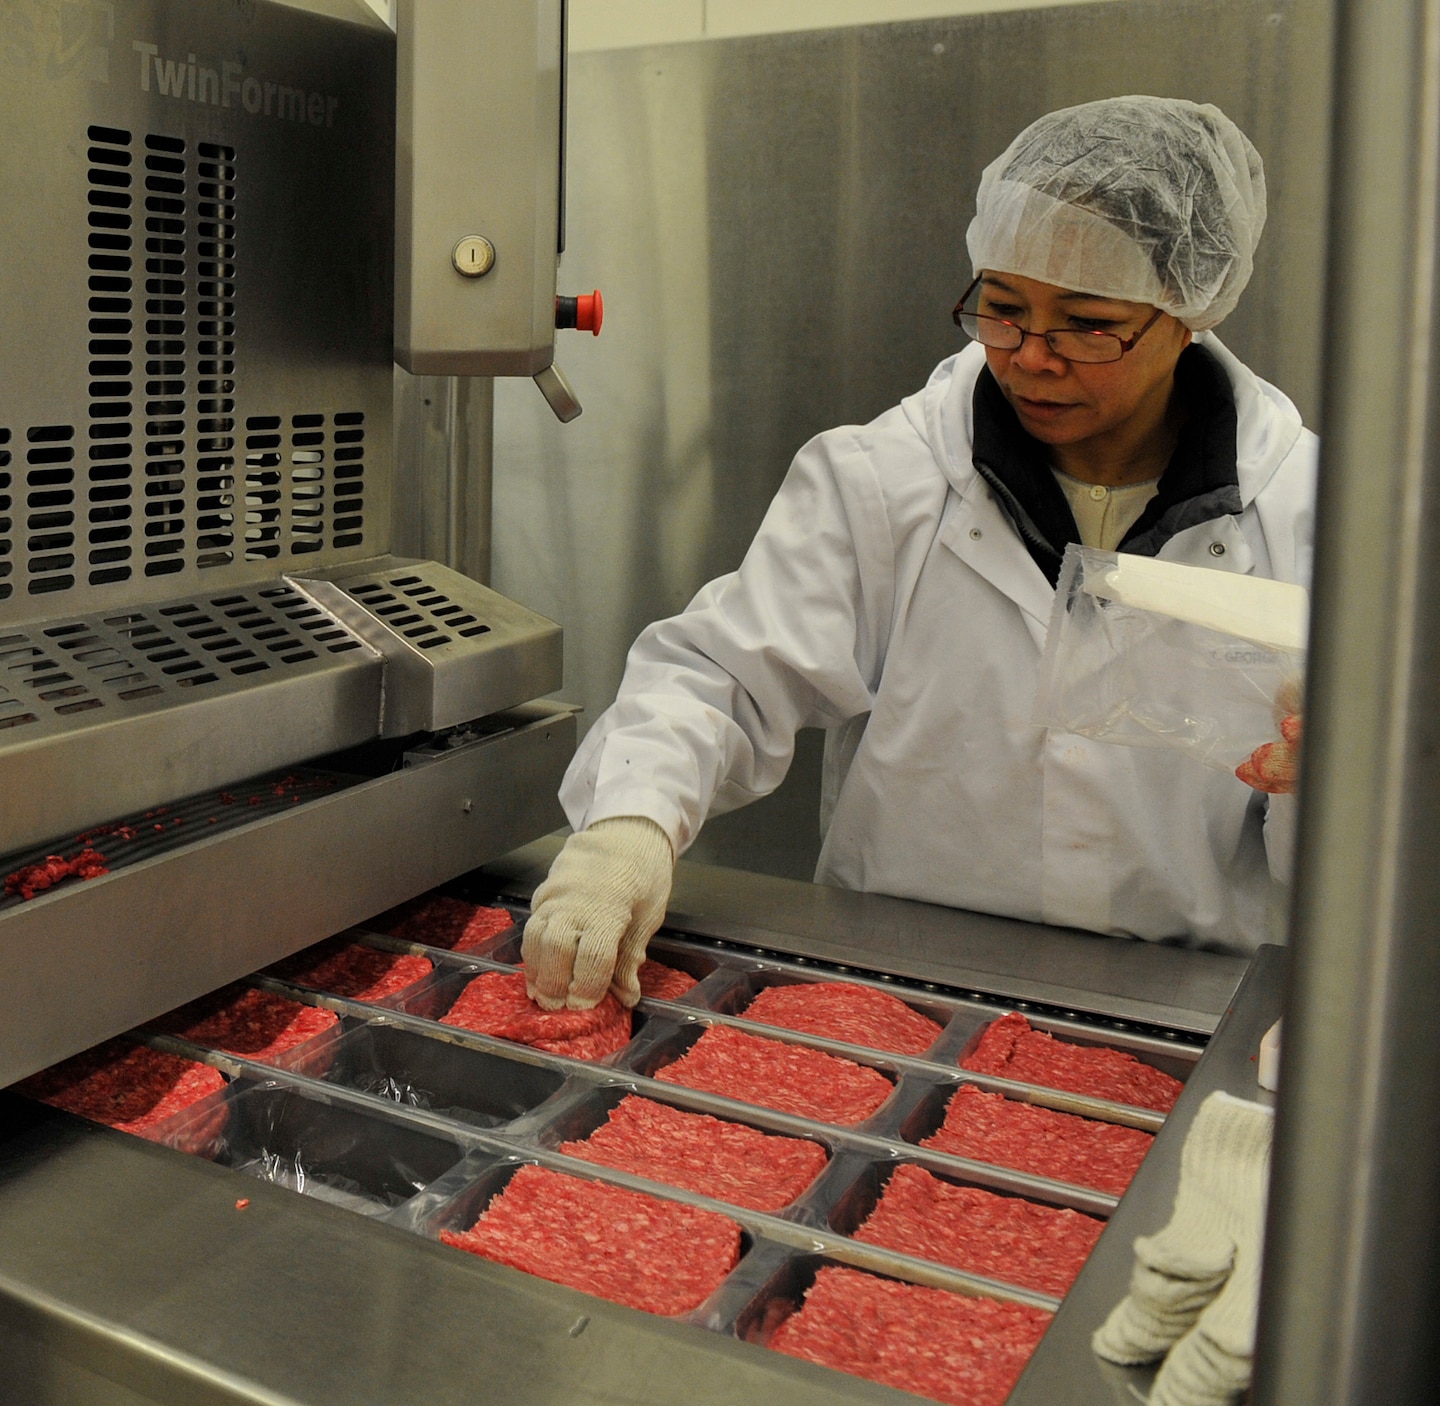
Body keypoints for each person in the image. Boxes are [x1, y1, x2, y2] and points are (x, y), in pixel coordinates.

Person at [523, 96, 1313, 1011]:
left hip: (1183, 1009)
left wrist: (1326, 778)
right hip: (894, 997)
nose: (1029, 359)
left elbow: (1363, 851)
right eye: (1003, 309)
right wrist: (630, 826)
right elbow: (724, 678)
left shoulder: (1308, 516)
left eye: (1087, 324)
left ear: (1188, 314)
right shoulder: (885, 479)